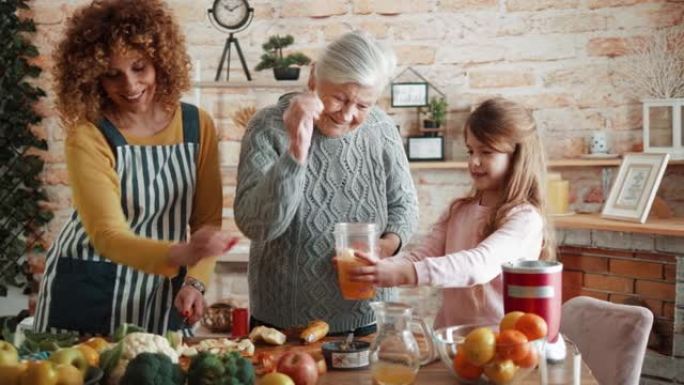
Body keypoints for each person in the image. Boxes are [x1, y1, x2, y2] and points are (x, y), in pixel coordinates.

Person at [34, 0, 236, 336]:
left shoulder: (196, 125)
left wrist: (195, 282)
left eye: (139, 67)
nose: (129, 85)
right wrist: (179, 253)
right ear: (92, 78)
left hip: (161, 286)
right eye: (112, 75)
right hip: (89, 282)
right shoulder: (89, 134)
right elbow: (108, 236)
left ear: (160, 60)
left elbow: (206, 221)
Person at [234, 32, 418, 335]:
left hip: (369, 318)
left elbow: (404, 205)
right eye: (341, 98)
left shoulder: (382, 128)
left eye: (363, 105)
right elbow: (257, 226)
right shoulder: (267, 128)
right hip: (285, 324)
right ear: (313, 78)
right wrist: (296, 151)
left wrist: (385, 247)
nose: (347, 114)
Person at [349, 97, 555, 329]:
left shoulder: (525, 219)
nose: (474, 161)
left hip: (503, 346)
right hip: (451, 343)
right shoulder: (459, 210)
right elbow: (423, 255)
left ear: (517, 157)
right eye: (470, 150)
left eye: (486, 152)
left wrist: (404, 273)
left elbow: (479, 265)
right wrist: (382, 266)